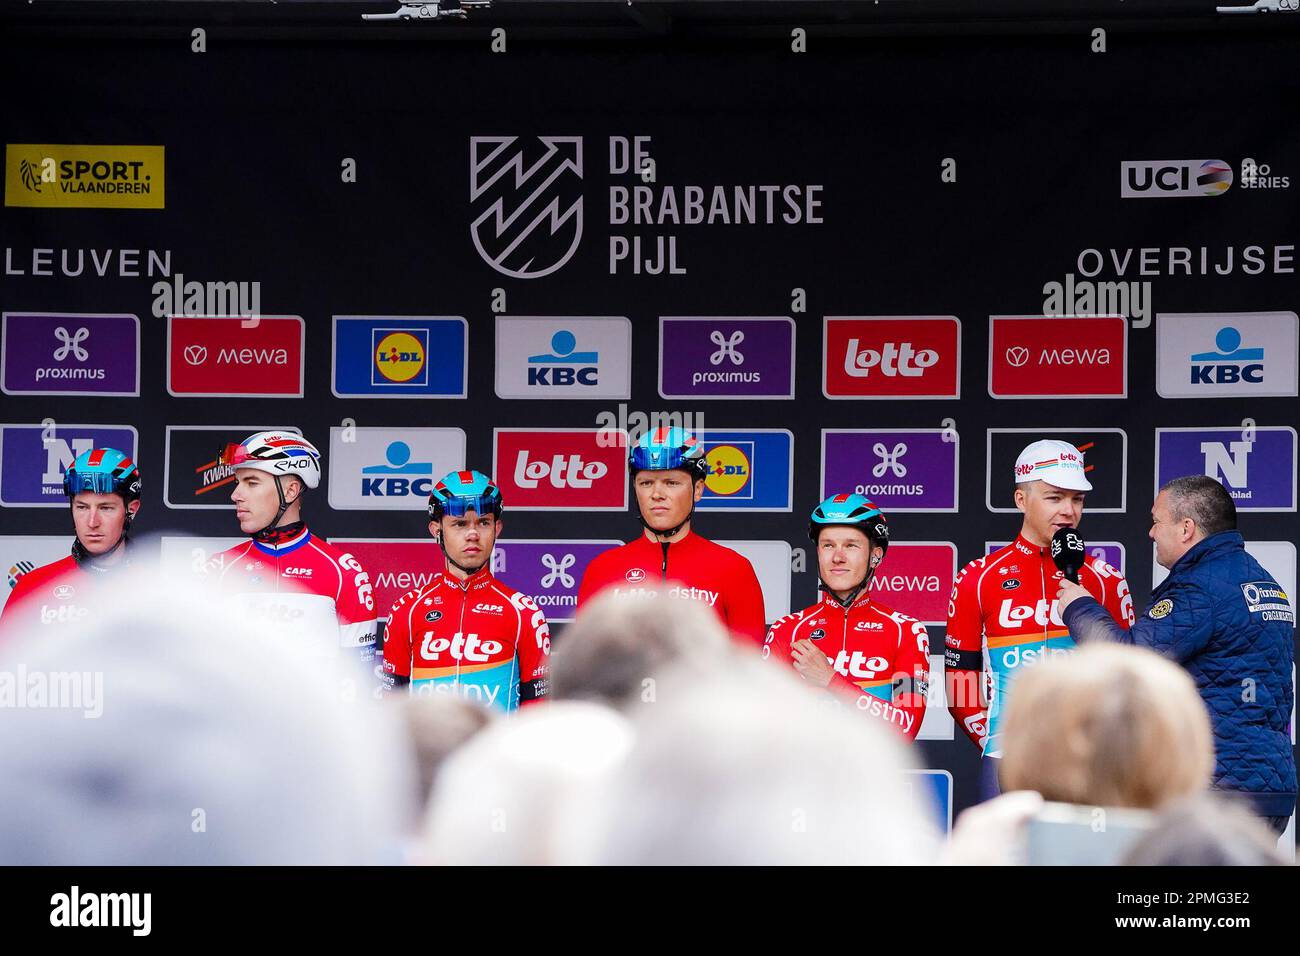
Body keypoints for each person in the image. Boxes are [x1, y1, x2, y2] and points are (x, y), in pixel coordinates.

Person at [1057, 474, 1297, 834]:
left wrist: (1078, 607)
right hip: (1268, 788)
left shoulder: (1201, 589)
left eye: (1156, 522)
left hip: (1218, 793)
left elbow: (1128, 660)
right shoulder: (1263, 582)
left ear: (1186, 528)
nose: (1151, 533)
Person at [945, 439, 1134, 800]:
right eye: (1054, 497)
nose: (1068, 511)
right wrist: (994, 738)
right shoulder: (978, 577)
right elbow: (959, 681)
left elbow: (1128, 676)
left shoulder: (1106, 578)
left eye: (1076, 499)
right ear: (1021, 500)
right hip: (1008, 756)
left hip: (1088, 762)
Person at [204, 431, 378, 673]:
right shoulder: (218, 569)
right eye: (237, 483)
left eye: (251, 482)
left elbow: (360, 680)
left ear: (290, 491)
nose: (235, 495)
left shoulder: (343, 572)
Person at [576, 426, 766, 644]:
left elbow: (748, 665)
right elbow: (586, 662)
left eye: (671, 482)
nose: (657, 494)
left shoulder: (733, 568)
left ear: (697, 489)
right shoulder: (602, 569)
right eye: (646, 483)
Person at [763, 494, 929, 741]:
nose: (837, 557)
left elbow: (905, 727)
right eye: (828, 545)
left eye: (851, 545)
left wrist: (830, 679)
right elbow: (761, 723)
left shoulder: (907, 632)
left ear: (876, 555)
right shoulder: (787, 629)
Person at [380, 469, 550, 711]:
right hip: (429, 749)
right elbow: (391, 710)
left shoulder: (524, 613)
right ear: (436, 530)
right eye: (459, 524)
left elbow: (539, 712)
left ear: (497, 529)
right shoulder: (406, 611)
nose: (472, 534)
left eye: (483, 522)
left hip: (495, 748)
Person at [0, 448, 142, 635]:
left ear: (131, 509)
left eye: (106, 508)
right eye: (82, 507)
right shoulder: (33, 586)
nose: (92, 522)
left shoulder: (162, 587)